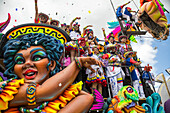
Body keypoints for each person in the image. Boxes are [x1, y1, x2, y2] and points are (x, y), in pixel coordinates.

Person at [0, 24, 105, 112]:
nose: (27, 64)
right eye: (20, 61)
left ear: (52, 64)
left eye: (36, 57)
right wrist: (77, 63)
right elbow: (45, 92)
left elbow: (86, 98)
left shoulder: (61, 92)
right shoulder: (6, 90)